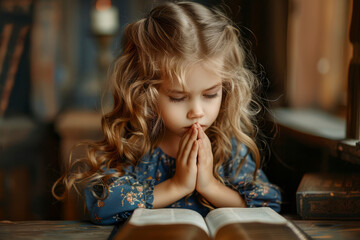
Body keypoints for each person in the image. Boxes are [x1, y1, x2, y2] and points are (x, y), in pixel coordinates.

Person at [53, 1, 281, 225]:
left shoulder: (228, 148)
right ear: (145, 92)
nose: (197, 112)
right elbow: (101, 206)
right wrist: (177, 185)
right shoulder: (134, 145)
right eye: (178, 98)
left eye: (211, 95)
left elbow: (268, 204)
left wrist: (210, 185)